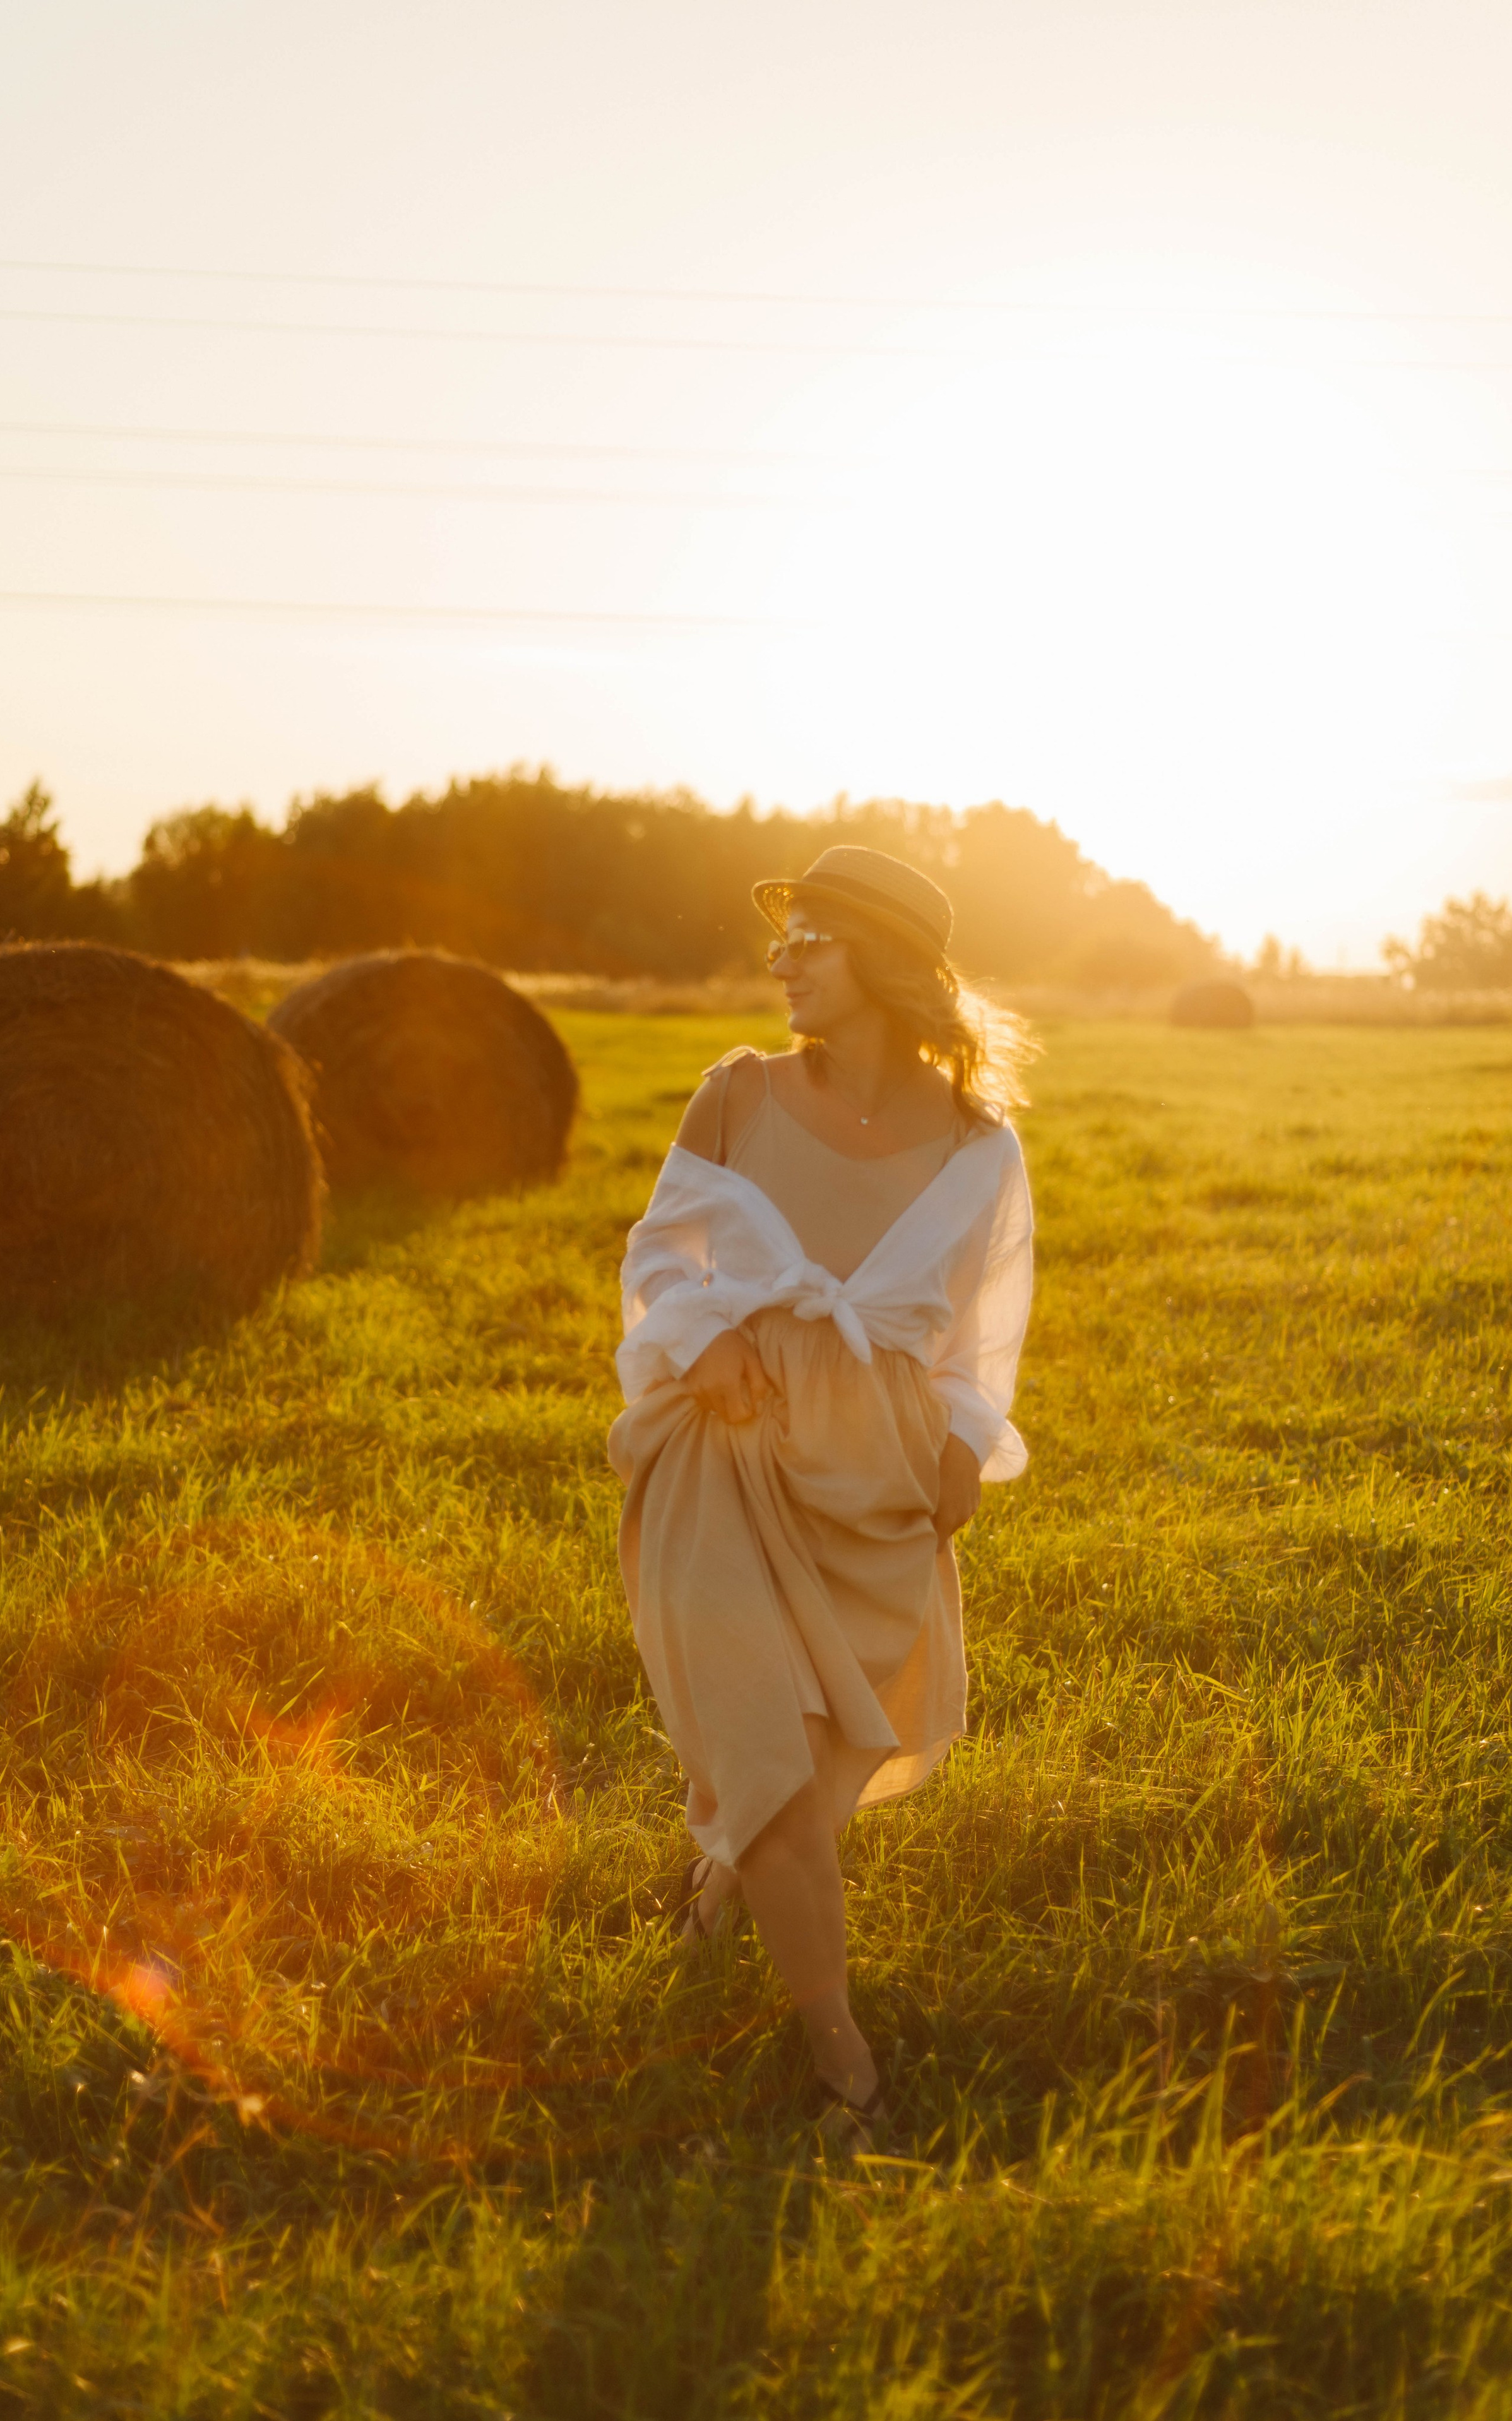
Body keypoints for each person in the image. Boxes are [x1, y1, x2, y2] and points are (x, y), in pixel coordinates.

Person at [607, 844, 1033, 2147]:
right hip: (724, 1451)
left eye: (809, 937)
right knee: (779, 1781)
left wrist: (963, 1438)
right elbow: (657, 1259)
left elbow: (975, 1338)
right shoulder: (735, 1094)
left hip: (880, 1469)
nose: (781, 959)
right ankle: (841, 2061)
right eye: (781, 938)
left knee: (841, 1755)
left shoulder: (978, 1146)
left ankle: (719, 1871)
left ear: (883, 961)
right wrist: (700, 1338)